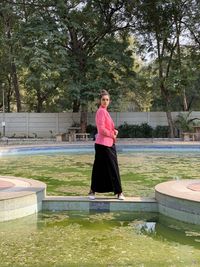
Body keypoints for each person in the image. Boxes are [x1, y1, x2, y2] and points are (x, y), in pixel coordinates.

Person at [88, 90, 125, 200]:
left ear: (109, 101)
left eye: (107, 100)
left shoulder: (105, 111)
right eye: (103, 99)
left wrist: (114, 131)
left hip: (107, 144)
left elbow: (108, 127)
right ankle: (118, 192)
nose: (105, 101)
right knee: (103, 168)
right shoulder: (101, 111)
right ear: (100, 101)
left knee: (107, 168)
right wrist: (112, 135)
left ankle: (94, 191)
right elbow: (101, 129)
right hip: (103, 145)